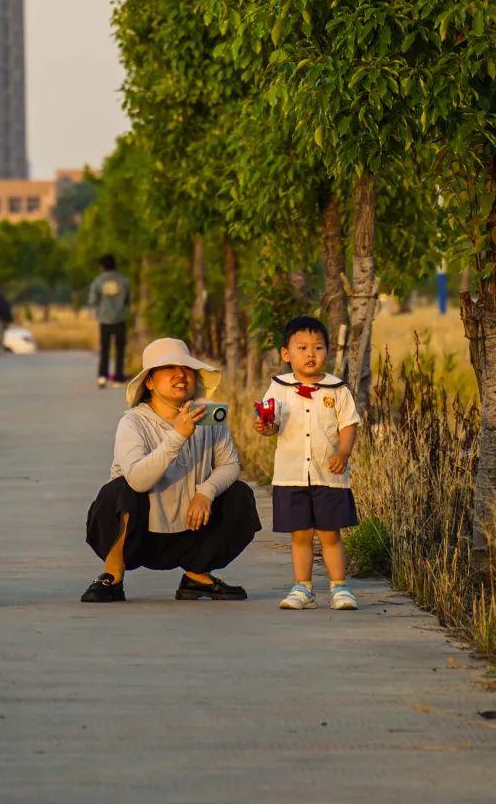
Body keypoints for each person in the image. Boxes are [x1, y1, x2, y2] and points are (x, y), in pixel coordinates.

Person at [80, 336, 260, 603]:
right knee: (118, 491)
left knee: (240, 496)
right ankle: (113, 575)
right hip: (141, 536)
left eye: (187, 368)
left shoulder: (208, 416)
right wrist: (178, 436)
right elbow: (138, 480)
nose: (181, 374)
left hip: (191, 529)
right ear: (149, 382)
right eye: (168, 368)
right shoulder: (133, 422)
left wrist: (206, 492)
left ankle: (197, 576)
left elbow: (230, 464)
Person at [253, 314, 361, 610]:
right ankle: (303, 588)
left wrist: (343, 453)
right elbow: (270, 422)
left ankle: (339, 587)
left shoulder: (337, 389)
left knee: (330, 533)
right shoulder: (278, 387)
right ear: (286, 354)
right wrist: (264, 426)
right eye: (302, 348)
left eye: (318, 347)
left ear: (328, 351)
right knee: (300, 534)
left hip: (329, 475)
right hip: (291, 475)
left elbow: (348, 424)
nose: (310, 354)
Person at [88, 253, 131, 388]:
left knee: (105, 348)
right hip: (120, 318)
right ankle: (118, 378)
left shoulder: (98, 281)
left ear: (102, 266)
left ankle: (103, 376)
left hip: (104, 319)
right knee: (120, 349)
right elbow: (128, 300)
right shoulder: (123, 280)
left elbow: (93, 300)